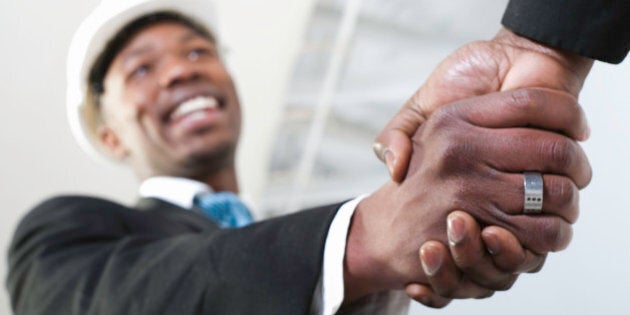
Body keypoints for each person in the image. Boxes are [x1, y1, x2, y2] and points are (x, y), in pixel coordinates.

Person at [4, 0, 605, 314]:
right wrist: (370, 237)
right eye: (142, 68)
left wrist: (535, 56)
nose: (181, 71)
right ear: (110, 137)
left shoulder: (295, 243)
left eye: (197, 52)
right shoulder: (64, 235)